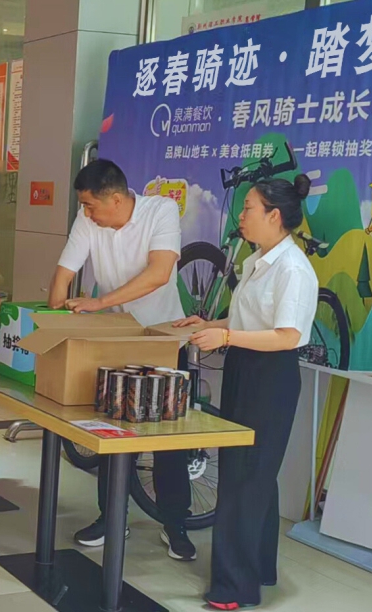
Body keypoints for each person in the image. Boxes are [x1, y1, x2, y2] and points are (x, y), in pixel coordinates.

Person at [175, 176, 318, 611]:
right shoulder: (258, 260)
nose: (241, 216)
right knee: (251, 474)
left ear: (274, 215)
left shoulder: (293, 269)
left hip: (270, 377)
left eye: (249, 208)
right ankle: (258, 567)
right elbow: (250, 319)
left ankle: (235, 588)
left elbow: (287, 336)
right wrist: (210, 325)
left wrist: (226, 337)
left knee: (245, 479)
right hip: (245, 368)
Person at [47, 159, 196, 561]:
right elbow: (64, 272)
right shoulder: (89, 218)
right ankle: (110, 518)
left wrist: (99, 303)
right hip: (117, 342)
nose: (86, 213)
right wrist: (54, 314)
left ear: (115, 199)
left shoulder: (160, 211)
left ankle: (175, 524)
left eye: (91, 205)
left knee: (168, 439)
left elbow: (159, 273)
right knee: (111, 434)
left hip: (163, 341)